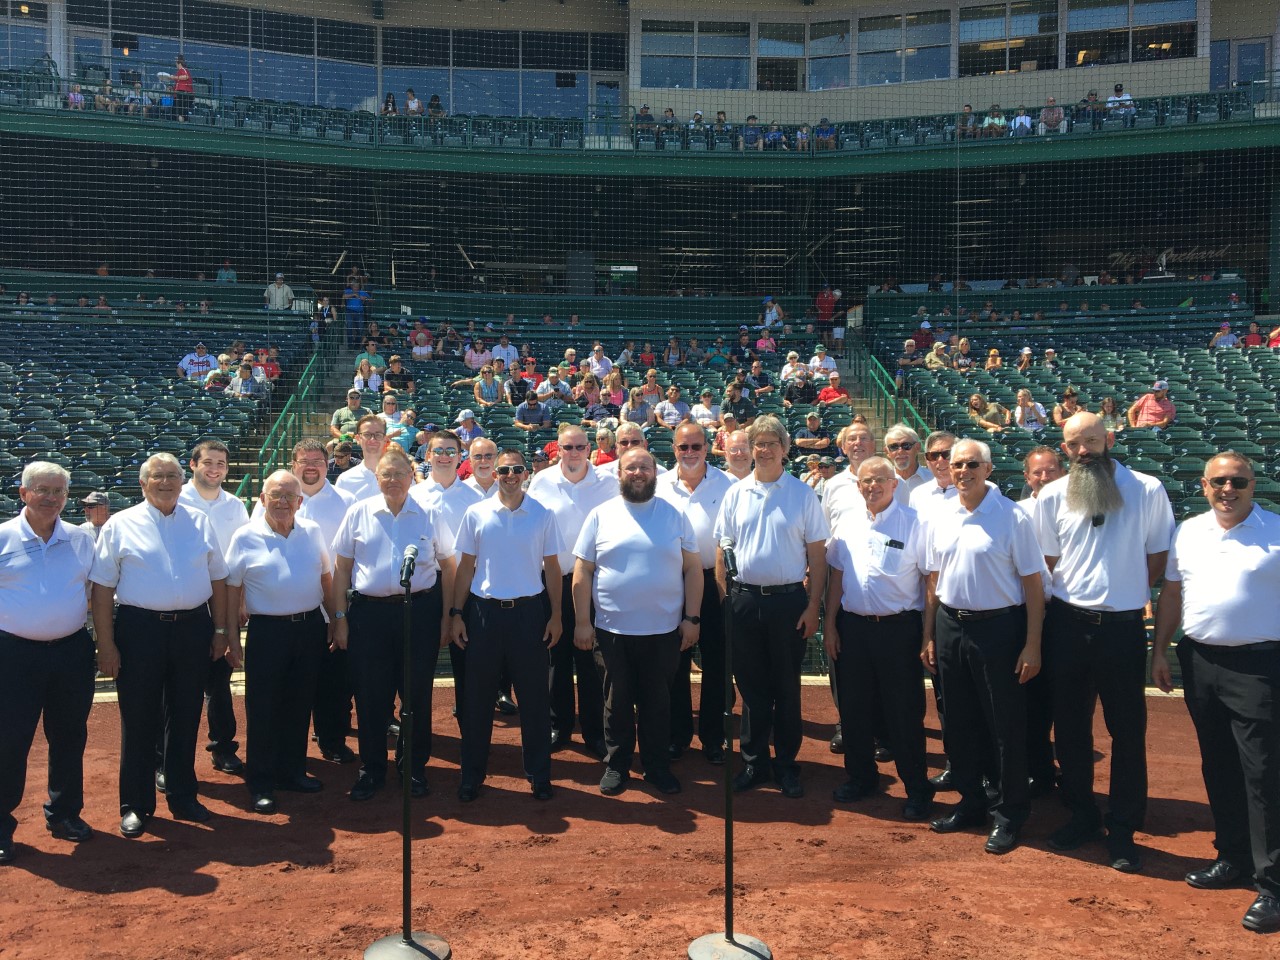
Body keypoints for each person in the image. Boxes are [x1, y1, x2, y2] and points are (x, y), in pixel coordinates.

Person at [1034, 412, 1173, 872]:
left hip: (1122, 628)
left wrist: (1127, 591)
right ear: (1064, 446)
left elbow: (1158, 556)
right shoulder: (1053, 495)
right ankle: (1082, 815)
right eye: (1074, 444)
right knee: (1071, 729)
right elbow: (1047, 561)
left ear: (1108, 439)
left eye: (1091, 441)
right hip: (1068, 626)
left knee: (1127, 732)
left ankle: (1124, 829)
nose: (1083, 451)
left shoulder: (1147, 489)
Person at [1153, 452, 1280, 934]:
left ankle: (1273, 885)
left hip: (1260, 665)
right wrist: (1161, 651)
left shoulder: (1277, 532)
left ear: (1253, 484)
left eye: (1238, 481)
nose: (1228, 489)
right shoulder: (1188, 531)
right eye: (1219, 481)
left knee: (1263, 772)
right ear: (1204, 485)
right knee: (1218, 762)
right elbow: (1173, 594)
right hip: (1200, 660)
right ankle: (1232, 858)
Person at [90, 454, 231, 838]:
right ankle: (136, 805)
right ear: (143, 482)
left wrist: (220, 630)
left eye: (172, 476)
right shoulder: (120, 524)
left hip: (193, 628)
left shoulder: (199, 520)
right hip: (140, 630)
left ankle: (183, 795)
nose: (166, 482)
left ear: (182, 481)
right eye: (158, 476)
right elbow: (102, 590)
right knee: (138, 720)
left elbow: (218, 579)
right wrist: (106, 644)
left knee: (185, 716)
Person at [921, 439, 1046, 855]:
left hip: (999, 629)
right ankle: (972, 801)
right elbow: (934, 582)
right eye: (956, 465)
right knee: (958, 722)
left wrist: (1032, 644)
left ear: (988, 469)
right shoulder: (941, 514)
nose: (962, 471)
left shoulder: (1012, 516)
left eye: (971, 464)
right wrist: (929, 635)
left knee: (1005, 726)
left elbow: (1033, 584)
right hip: (950, 625)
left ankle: (1010, 813)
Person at [331, 449, 457, 801]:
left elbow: (449, 565)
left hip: (420, 612)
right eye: (386, 474)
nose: (392, 480)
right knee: (371, 696)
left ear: (411, 475)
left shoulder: (430, 513)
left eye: (399, 473)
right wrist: (340, 618)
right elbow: (341, 568)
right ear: (376, 478)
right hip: (368, 615)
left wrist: (449, 616)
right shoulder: (358, 512)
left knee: (416, 694)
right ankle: (371, 769)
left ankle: (413, 768)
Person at [574, 448, 702, 796]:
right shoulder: (600, 515)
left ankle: (656, 767)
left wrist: (692, 617)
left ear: (655, 472)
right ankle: (617, 765)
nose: (638, 472)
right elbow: (583, 570)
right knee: (615, 702)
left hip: (663, 631)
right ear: (619, 473)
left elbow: (692, 568)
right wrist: (582, 622)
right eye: (631, 467)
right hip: (612, 630)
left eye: (645, 466)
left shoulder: (674, 516)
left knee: (657, 703)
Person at [715, 415, 828, 799]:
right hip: (744, 601)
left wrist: (814, 606)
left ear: (784, 448)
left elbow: (817, 555)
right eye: (757, 444)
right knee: (751, 688)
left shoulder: (802, 494)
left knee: (786, 686)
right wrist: (728, 599)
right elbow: (722, 549)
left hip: (788, 603)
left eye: (770, 443)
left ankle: (786, 765)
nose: (763, 450)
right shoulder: (735, 493)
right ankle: (754, 761)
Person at [823, 457, 933, 821]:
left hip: (899, 630)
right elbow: (836, 576)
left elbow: (929, 584)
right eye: (866, 481)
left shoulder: (915, 524)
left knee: (903, 712)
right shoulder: (847, 523)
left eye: (880, 480)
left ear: (894, 483)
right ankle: (861, 778)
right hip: (853, 627)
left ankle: (917, 788)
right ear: (858, 486)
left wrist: (927, 635)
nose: (873, 486)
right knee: (854, 710)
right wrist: (832, 625)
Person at [0, 462, 99, 863]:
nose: (51, 498)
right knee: (9, 740)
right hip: (13, 654)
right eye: (42, 489)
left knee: (69, 735)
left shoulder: (80, 539)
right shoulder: (3, 536)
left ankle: (64, 814)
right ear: (23, 493)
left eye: (58, 491)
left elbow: (96, 591)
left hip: (71, 651)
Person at [450, 449, 562, 802]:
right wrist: (456, 613)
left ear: (526, 473)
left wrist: (556, 614)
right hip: (483, 614)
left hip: (529, 614)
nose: (510, 475)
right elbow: (465, 567)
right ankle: (472, 776)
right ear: (494, 473)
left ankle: (539, 776)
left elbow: (553, 568)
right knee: (477, 701)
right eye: (503, 470)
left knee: (534, 700)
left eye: (516, 470)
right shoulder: (475, 513)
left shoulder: (543, 514)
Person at [224, 471, 332, 815]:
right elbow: (231, 589)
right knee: (263, 708)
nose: (283, 502)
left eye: (290, 496)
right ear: (262, 499)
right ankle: (261, 782)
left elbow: (326, 578)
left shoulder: (312, 532)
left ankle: (292, 772)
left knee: (300, 704)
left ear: (300, 502)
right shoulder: (244, 537)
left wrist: (336, 621)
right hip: (267, 632)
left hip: (309, 627)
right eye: (276, 495)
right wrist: (229, 636)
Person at [527, 423, 615, 758]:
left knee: (594, 660)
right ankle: (558, 726)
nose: (574, 453)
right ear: (557, 449)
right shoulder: (541, 481)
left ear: (590, 448)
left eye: (580, 447)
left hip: (596, 583)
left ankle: (595, 731)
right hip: (553, 581)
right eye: (567, 448)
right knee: (555, 658)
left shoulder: (608, 483)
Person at [657, 422, 735, 765]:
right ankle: (677, 735)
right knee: (675, 664)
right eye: (683, 447)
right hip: (672, 583)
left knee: (718, 663)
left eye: (696, 446)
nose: (690, 453)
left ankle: (713, 738)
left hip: (714, 582)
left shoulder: (729, 484)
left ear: (707, 448)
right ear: (674, 450)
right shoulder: (658, 486)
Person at [178, 440, 250, 776]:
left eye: (221, 463)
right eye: (208, 462)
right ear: (193, 465)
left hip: (223, 602)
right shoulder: (174, 499)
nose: (215, 468)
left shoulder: (235, 506)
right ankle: (169, 757)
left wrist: (241, 601)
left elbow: (242, 557)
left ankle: (223, 748)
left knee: (220, 681)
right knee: (177, 685)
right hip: (186, 602)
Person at [335, 415, 388, 502]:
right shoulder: (345, 480)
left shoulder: (401, 476)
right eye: (367, 435)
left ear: (385, 439)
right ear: (358, 439)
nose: (372, 439)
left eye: (378, 435)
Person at [884, 424, 928, 507]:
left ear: (917, 448)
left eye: (906, 446)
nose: (900, 451)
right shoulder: (881, 483)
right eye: (894, 447)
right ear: (887, 452)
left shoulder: (933, 479)